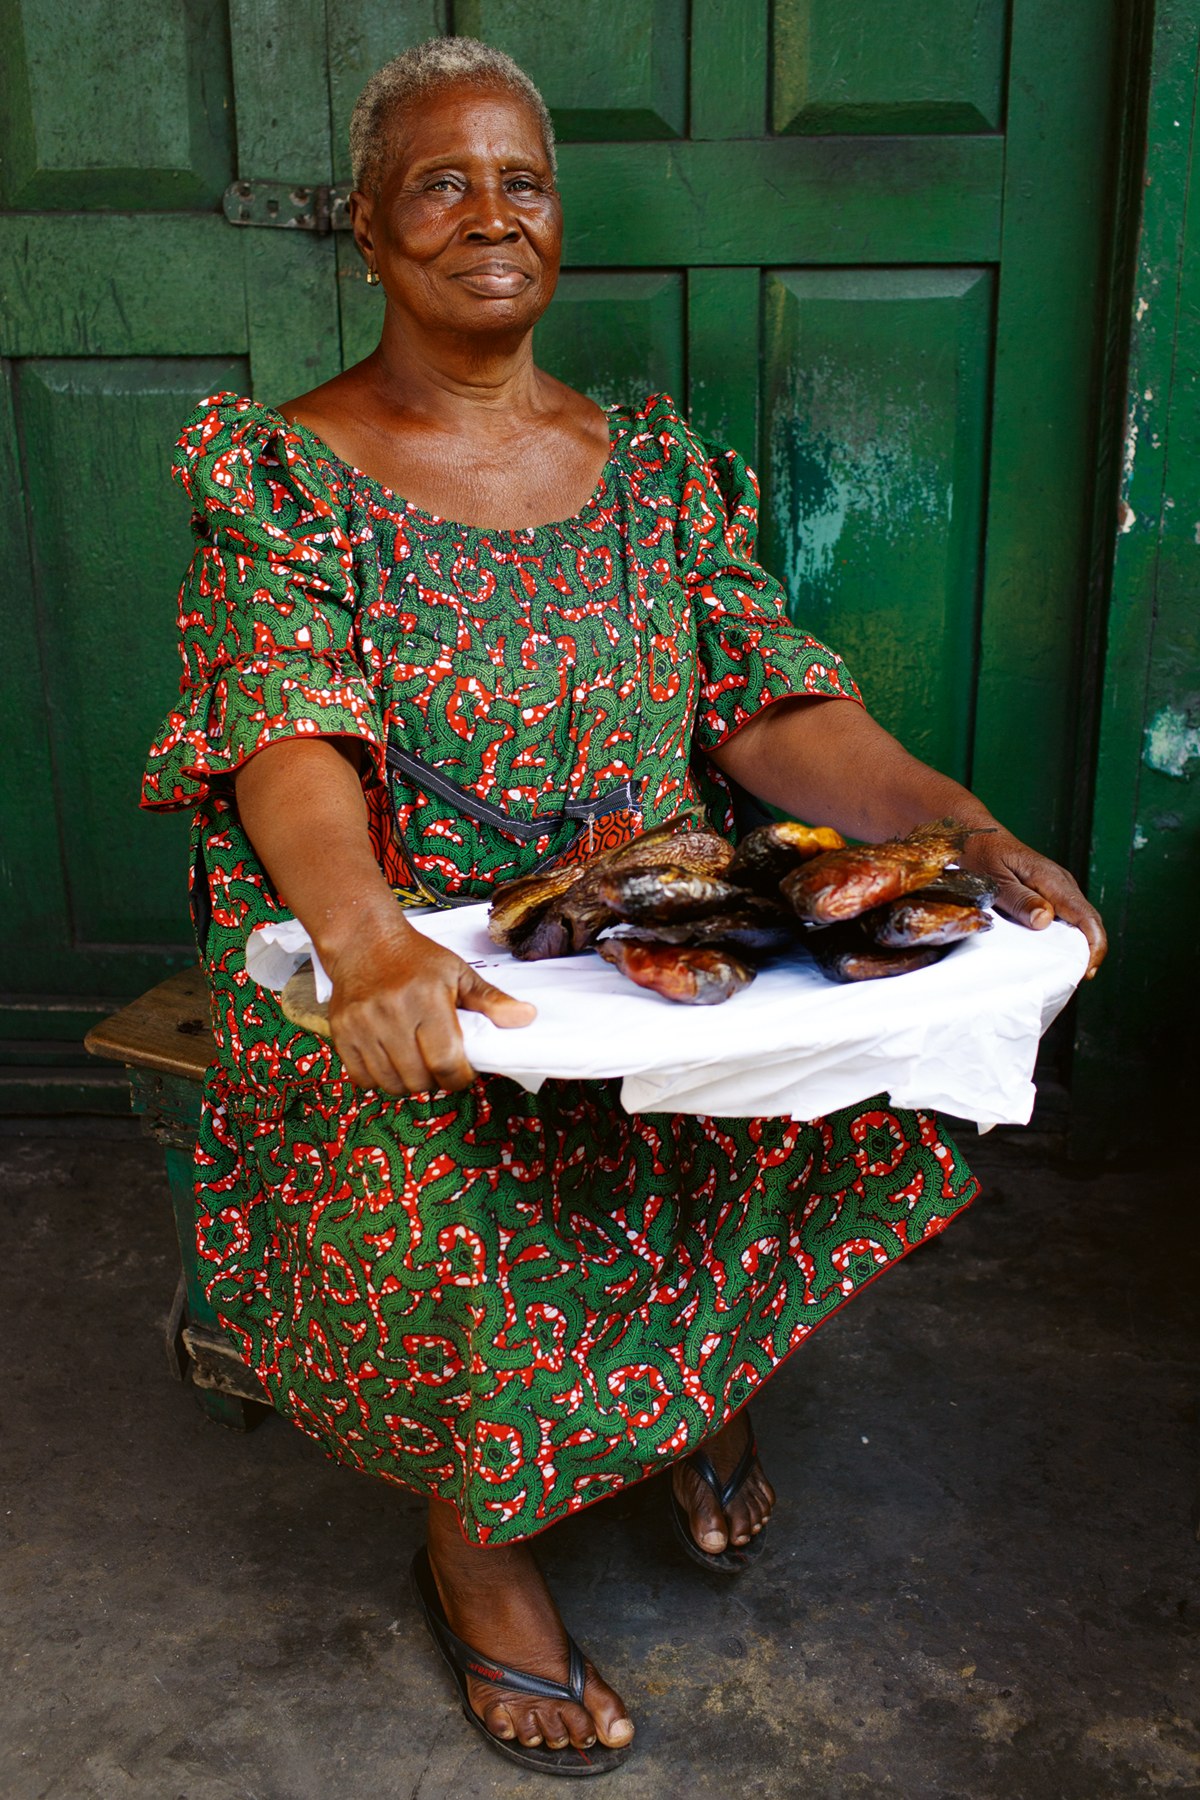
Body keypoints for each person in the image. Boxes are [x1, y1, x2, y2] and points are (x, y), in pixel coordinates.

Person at [143, 36, 1106, 1777]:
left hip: (646, 929)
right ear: (369, 230)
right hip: (428, 941)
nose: (492, 213)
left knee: (802, 1073)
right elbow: (280, 727)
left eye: (524, 179)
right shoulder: (284, 473)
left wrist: (963, 827)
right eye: (444, 181)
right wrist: (366, 945)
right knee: (444, 1146)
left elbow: (770, 704)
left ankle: (677, 1400)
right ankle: (474, 1540)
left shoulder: (651, 465)